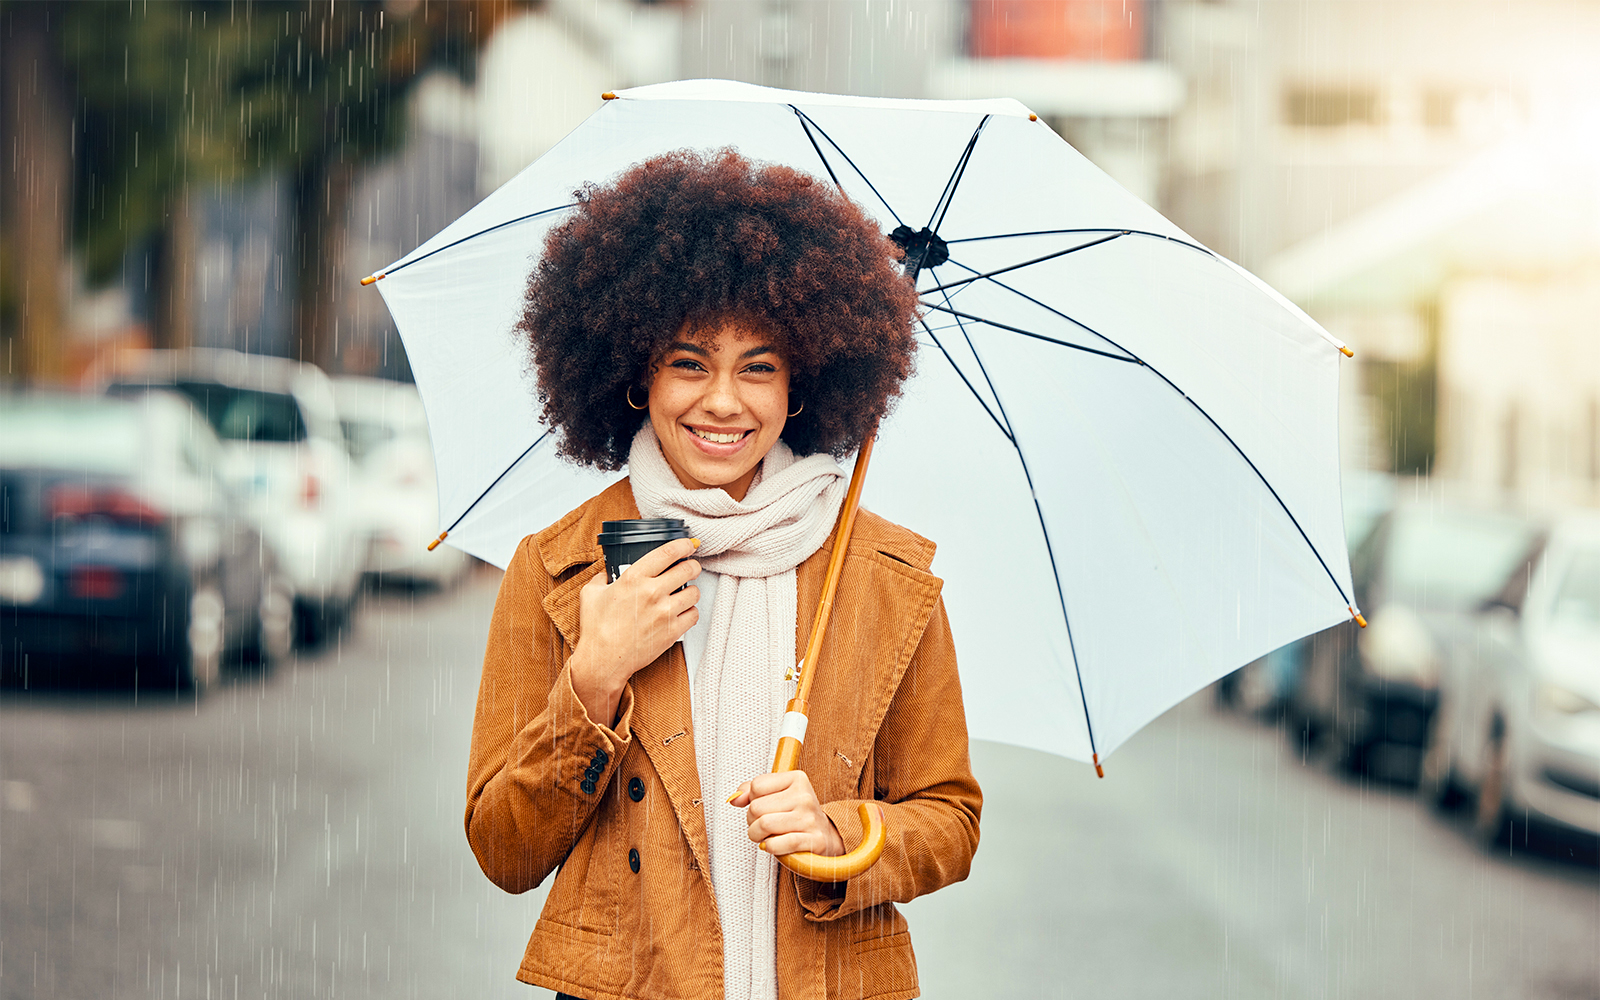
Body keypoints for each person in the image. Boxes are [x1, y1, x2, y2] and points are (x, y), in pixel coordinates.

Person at [464, 149, 981, 1000]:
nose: (723, 402)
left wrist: (838, 831)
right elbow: (504, 849)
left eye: (760, 366)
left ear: (805, 382)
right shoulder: (559, 567)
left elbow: (950, 819)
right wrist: (593, 679)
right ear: (636, 372)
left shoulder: (885, 576)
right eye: (690, 362)